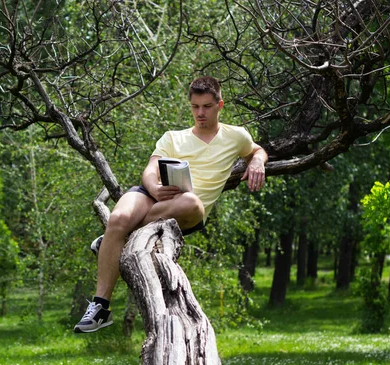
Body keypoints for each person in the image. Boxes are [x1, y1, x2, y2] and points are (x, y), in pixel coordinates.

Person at [74, 76, 268, 333]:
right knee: (118, 218)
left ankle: (113, 240)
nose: (200, 113)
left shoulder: (236, 136)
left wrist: (257, 161)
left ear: (220, 105)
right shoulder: (173, 138)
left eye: (207, 106)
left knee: (190, 201)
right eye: (195, 106)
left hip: (187, 209)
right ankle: (100, 307)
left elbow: (257, 150)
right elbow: (150, 169)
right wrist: (154, 187)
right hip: (152, 195)